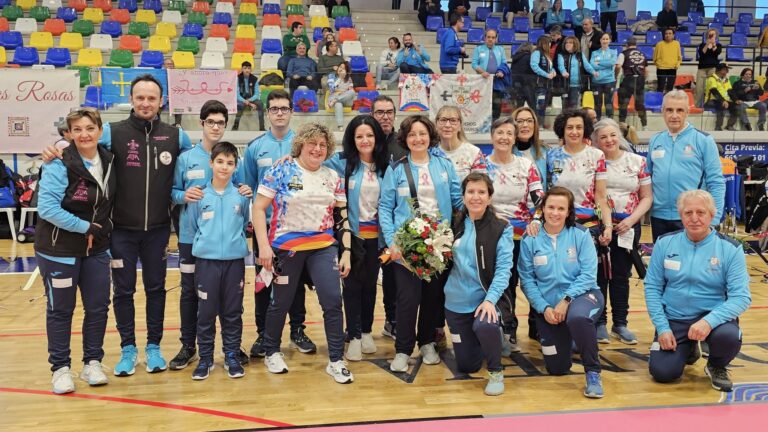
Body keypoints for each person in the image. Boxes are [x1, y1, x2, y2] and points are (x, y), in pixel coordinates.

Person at [40, 75, 194, 377]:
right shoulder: (113, 131)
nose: (146, 103)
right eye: (140, 97)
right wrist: (56, 147)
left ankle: (153, 347)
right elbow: (80, 145)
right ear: (131, 100)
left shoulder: (177, 136)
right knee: (123, 291)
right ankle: (128, 348)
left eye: (152, 98)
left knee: (156, 289)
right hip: (121, 231)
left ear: (161, 101)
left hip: (158, 230)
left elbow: (199, 161)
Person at [254, 123, 354, 384]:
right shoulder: (281, 169)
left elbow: (342, 217)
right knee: (281, 302)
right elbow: (258, 207)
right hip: (287, 248)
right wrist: (264, 246)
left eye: (323, 145)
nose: (317, 149)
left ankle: (336, 360)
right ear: (301, 144)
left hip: (323, 247)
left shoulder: (332, 177)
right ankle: (272, 351)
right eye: (312, 143)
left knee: (333, 301)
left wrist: (346, 252)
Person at [37, 108, 116, 394]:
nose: (84, 134)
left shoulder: (109, 159)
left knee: (98, 307)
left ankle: (92, 362)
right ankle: (60, 369)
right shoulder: (59, 163)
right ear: (68, 134)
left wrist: (98, 231)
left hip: (97, 250)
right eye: (77, 129)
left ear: (100, 131)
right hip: (59, 250)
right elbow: (47, 209)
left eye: (90, 128)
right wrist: (86, 227)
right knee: (61, 310)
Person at [168, 101, 252, 370]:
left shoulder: (233, 159)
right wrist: (183, 195)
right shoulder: (186, 158)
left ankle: (232, 347)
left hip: (224, 242)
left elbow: (241, 190)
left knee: (229, 296)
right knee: (190, 293)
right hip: (190, 238)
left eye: (221, 123)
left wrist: (246, 190)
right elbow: (171, 192)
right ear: (202, 123)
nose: (216, 127)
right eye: (211, 122)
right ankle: (189, 346)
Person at [644, 190, 751, 392]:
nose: (694, 218)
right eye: (688, 212)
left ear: (712, 215)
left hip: (712, 317)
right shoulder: (664, 243)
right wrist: (662, 327)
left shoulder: (730, 248)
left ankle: (716, 365)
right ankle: (689, 348)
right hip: (674, 317)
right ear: (680, 215)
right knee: (663, 373)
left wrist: (708, 321)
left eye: (701, 212)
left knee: (728, 336)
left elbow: (741, 298)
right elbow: (652, 287)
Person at [379, 116, 463, 372]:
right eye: (412, 134)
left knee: (432, 298)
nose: (418, 139)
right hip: (406, 247)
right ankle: (403, 350)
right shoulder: (396, 169)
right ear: (405, 139)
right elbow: (385, 208)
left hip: (439, 244)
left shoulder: (444, 166)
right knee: (407, 299)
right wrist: (392, 242)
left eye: (422, 133)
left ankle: (426, 342)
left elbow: (458, 201)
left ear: (430, 136)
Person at [243, 90, 315, 359]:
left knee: (295, 282)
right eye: (274, 109)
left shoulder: (304, 144)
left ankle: (297, 330)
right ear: (268, 113)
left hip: (296, 228)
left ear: (291, 112)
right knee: (263, 281)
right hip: (265, 229)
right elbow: (249, 188)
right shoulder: (255, 147)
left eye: (284, 108)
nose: (280, 113)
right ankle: (263, 334)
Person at [518, 187, 606, 398]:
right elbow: (527, 281)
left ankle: (593, 373)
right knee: (557, 367)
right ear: (542, 209)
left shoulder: (581, 234)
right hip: (549, 308)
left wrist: (566, 300)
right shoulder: (530, 239)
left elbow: (588, 275)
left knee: (577, 317)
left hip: (583, 296)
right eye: (551, 207)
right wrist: (544, 308)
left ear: (568, 212)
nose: (555, 213)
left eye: (561, 209)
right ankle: (573, 338)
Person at [324, 115, 389, 361]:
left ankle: (366, 331)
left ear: (377, 137)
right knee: (351, 287)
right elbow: (311, 161)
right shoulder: (340, 162)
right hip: (350, 237)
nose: (365, 140)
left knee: (370, 286)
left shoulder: (386, 166)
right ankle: (353, 335)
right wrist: (291, 158)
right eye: (359, 136)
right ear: (352, 139)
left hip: (377, 238)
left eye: (369, 135)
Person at [445, 172, 514, 396]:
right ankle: (486, 341)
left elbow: (503, 270)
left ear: (489, 197)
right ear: (463, 196)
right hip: (455, 301)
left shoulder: (501, 227)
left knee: (485, 325)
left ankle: (495, 371)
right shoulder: (453, 223)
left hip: (485, 299)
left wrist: (490, 300)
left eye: (481, 192)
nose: (476, 197)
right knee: (467, 365)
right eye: (471, 192)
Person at [187, 142, 251, 380]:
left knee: (233, 312)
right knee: (205, 312)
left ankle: (232, 355)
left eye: (230, 163)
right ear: (211, 163)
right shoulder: (199, 195)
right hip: (206, 263)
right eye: (220, 162)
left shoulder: (242, 196)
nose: (224, 167)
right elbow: (194, 226)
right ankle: (205, 358)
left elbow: (244, 225)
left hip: (234, 263)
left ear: (236, 167)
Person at [591, 118, 652, 345]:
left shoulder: (637, 161)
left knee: (621, 275)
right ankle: (599, 323)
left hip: (628, 226)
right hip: (598, 226)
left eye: (612, 135)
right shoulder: (593, 162)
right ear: (596, 141)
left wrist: (631, 220)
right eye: (603, 137)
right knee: (598, 276)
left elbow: (647, 197)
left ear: (620, 136)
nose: (609, 140)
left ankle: (620, 323)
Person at [485, 117, 544, 352]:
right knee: (501, 284)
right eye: (500, 132)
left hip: (522, 236)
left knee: (525, 281)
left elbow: (540, 200)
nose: (504, 137)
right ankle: (503, 329)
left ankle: (533, 328)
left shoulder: (526, 165)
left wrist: (536, 220)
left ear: (514, 138)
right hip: (493, 235)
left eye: (509, 133)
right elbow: (475, 198)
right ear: (492, 136)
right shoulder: (481, 166)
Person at [646, 90, 725, 241]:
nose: (674, 115)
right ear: (662, 111)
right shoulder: (655, 140)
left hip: (692, 216)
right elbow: (647, 178)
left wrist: (713, 219)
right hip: (659, 217)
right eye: (669, 110)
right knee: (664, 256)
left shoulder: (703, 140)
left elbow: (716, 182)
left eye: (680, 110)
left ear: (687, 112)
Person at [544, 109, 612, 235]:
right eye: (570, 127)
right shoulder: (551, 156)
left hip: (588, 223)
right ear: (562, 130)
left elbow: (601, 196)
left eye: (579, 127)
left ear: (585, 129)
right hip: (557, 221)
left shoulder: (597, 155)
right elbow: (545, 193)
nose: (574, 132)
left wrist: (608, 226)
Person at [371, 95, 405, 340]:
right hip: (365, 226)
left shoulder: (403, 144)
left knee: (392, 276)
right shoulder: (364, 140)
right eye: (379, 112)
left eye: (389, 112)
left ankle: (392, 321)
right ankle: (360, 327)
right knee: (365, 280)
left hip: (394, 227)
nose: (385, 116)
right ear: (372, 115)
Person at [436, 105, 485, 181]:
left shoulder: (474, 153)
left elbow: (480, 184)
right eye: (443, 120)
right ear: (436, 125)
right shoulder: (430, 153)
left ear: (460, 126)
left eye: (453, 120)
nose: (447, 125)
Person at [472, 29, 507, 119]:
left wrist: (501, 71)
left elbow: (504, 63)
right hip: (483, 81)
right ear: (485, 38)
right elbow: (474, 64)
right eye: (488, 37)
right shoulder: (478, 49)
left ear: (496, 39)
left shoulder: (501, 49)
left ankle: (495, 123)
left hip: (497, 82)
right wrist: (482, 72)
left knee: (497, 105)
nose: (490, 39)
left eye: (493, 37)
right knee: (483, 104)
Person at [615, 37, 649, 130]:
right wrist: (643, 79)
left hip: (628, 79)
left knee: (623, 103)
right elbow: (646, 70)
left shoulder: (623, 53)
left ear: (626, 45)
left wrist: (615, 76)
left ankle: (622, 124)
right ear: (636, 45)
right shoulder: (642, 54)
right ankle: (645, 125)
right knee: (640, 104)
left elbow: (618, 66)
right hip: (640, 80)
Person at [557, 36, 597, 109]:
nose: (567, 44)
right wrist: (563, 72)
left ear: (575, 44)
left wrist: (593, 72)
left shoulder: (580, 55)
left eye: (570, 43)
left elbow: (587, 65)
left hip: (576, 85)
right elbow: (560, 66)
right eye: (566, 43)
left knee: (574, 105)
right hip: (565, 85)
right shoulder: (561, 55)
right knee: (565, 106)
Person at [590, 33, 617, 120]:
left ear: (610, 40)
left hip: (609, 81)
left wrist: (599, 63)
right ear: (600, 40)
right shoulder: (594, 53)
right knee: (597, 104)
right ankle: (597, 121)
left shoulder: (613, 52)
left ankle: (610, 121)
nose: (605, 41)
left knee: (608, 103)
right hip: (596, 81)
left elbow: (612, 62)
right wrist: (606, 64)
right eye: (603, 39)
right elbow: (592, 65)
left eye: (606, 39)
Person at [704, 63, 739, 131]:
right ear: (719, 70)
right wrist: (723, 101)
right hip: (711, 100)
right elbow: (714, 91)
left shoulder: (726, 80)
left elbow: (730, 91)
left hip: (724, 100)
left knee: (736, 107)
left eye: (727, 70)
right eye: (725, 70)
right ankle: (718, 126)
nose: (727, 72)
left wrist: (735, 100)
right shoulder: (712, 78)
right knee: (721, 105)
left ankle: (730, 125)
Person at [731, 67, 767, 131]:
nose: (748, 76)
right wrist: (744, 91)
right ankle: (746, 124)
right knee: (741, 107)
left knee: (763, 106)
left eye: (750, 74)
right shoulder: (737, 83)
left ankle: (761, 124)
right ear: (742, 75)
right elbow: (735, 94)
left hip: (755, 101)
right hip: (743, 101)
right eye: (746, 74)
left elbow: (761, 93)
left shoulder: (755, 82)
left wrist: (758, 89)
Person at [530, 35, 555, 126]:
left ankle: (541, 123)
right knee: (539, 104)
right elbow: (534, 66)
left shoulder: (546, 55)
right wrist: (547, 75)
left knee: (544, 105)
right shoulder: (537, 53)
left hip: (547, 84)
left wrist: (553, 71)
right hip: (539, 84)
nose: (550, 44)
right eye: (549, 42)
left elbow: (550, 67)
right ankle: (537, 124)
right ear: (544, 43)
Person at [233, 61, 265, 132]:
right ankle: (235, 126)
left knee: (260, 103)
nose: (247, 70)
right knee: (240, 106)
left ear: (251, 70)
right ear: (242, 69)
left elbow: (256, 94)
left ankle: (262, 127)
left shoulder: (254, 79)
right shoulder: (237, 78)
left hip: (251, 98)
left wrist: (249, 100)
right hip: (241, 99)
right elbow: (237, 94)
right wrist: (248, 103)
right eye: (245, 68)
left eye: (248, 68)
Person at [695, 28, 722, 108]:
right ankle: (697, 106)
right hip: (702, 69)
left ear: (716, 36)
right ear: (707, 35)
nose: (711, 36)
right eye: (710, 34)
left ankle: (711, 105)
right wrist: (707, 44)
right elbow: (702, 53)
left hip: (713, 68)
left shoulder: (718, 45)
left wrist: (713, 44)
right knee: (699, 88)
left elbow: (717, 52)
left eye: (713, 34)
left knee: (712, 86)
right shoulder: (702, 45)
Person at [326, 61, 356, 131]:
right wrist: (340, 78)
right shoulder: (331, 76)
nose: (341, 69)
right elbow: (331, 90)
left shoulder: (349, 78)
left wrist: (343, 93)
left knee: (352, 92)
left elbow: (350, 91)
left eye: (344, 68)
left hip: (345, 99)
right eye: (340, 67)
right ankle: (340, 126)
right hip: (334, 96)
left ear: (346, 71)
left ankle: (335, 100)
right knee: (338, 104)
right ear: (338, 68)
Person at [509, 43, 536, 111]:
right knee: (532, 105)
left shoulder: (515, 57)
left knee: (519, 105)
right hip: (527, 83)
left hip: (516, 83)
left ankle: (517, 117)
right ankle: (535, 117)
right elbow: (532, 70)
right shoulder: (529, 57)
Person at [653, 28, 682, 94]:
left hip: (672, 69)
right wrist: (659, 65)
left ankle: (668, 100)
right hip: (661, 69)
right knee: (660, 88)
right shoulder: (659, 44)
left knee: (670, 88)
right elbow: (654, 58)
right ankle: (659, 100)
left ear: (673, 35)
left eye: (670, 33)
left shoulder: (677, 44)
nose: (668, 35)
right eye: (666, 33)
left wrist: (677, 65)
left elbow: (679, 57)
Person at [163, 57, 183, 128]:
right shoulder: (160, 75)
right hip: (162, 97)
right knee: (156, 104)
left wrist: (172, 96)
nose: (169, 66)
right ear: (163, 65)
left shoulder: (178, 75)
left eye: (171, 64)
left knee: (179, 104)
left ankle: (178, 125)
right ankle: (157, 125)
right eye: (167, 64)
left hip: (174, 98)